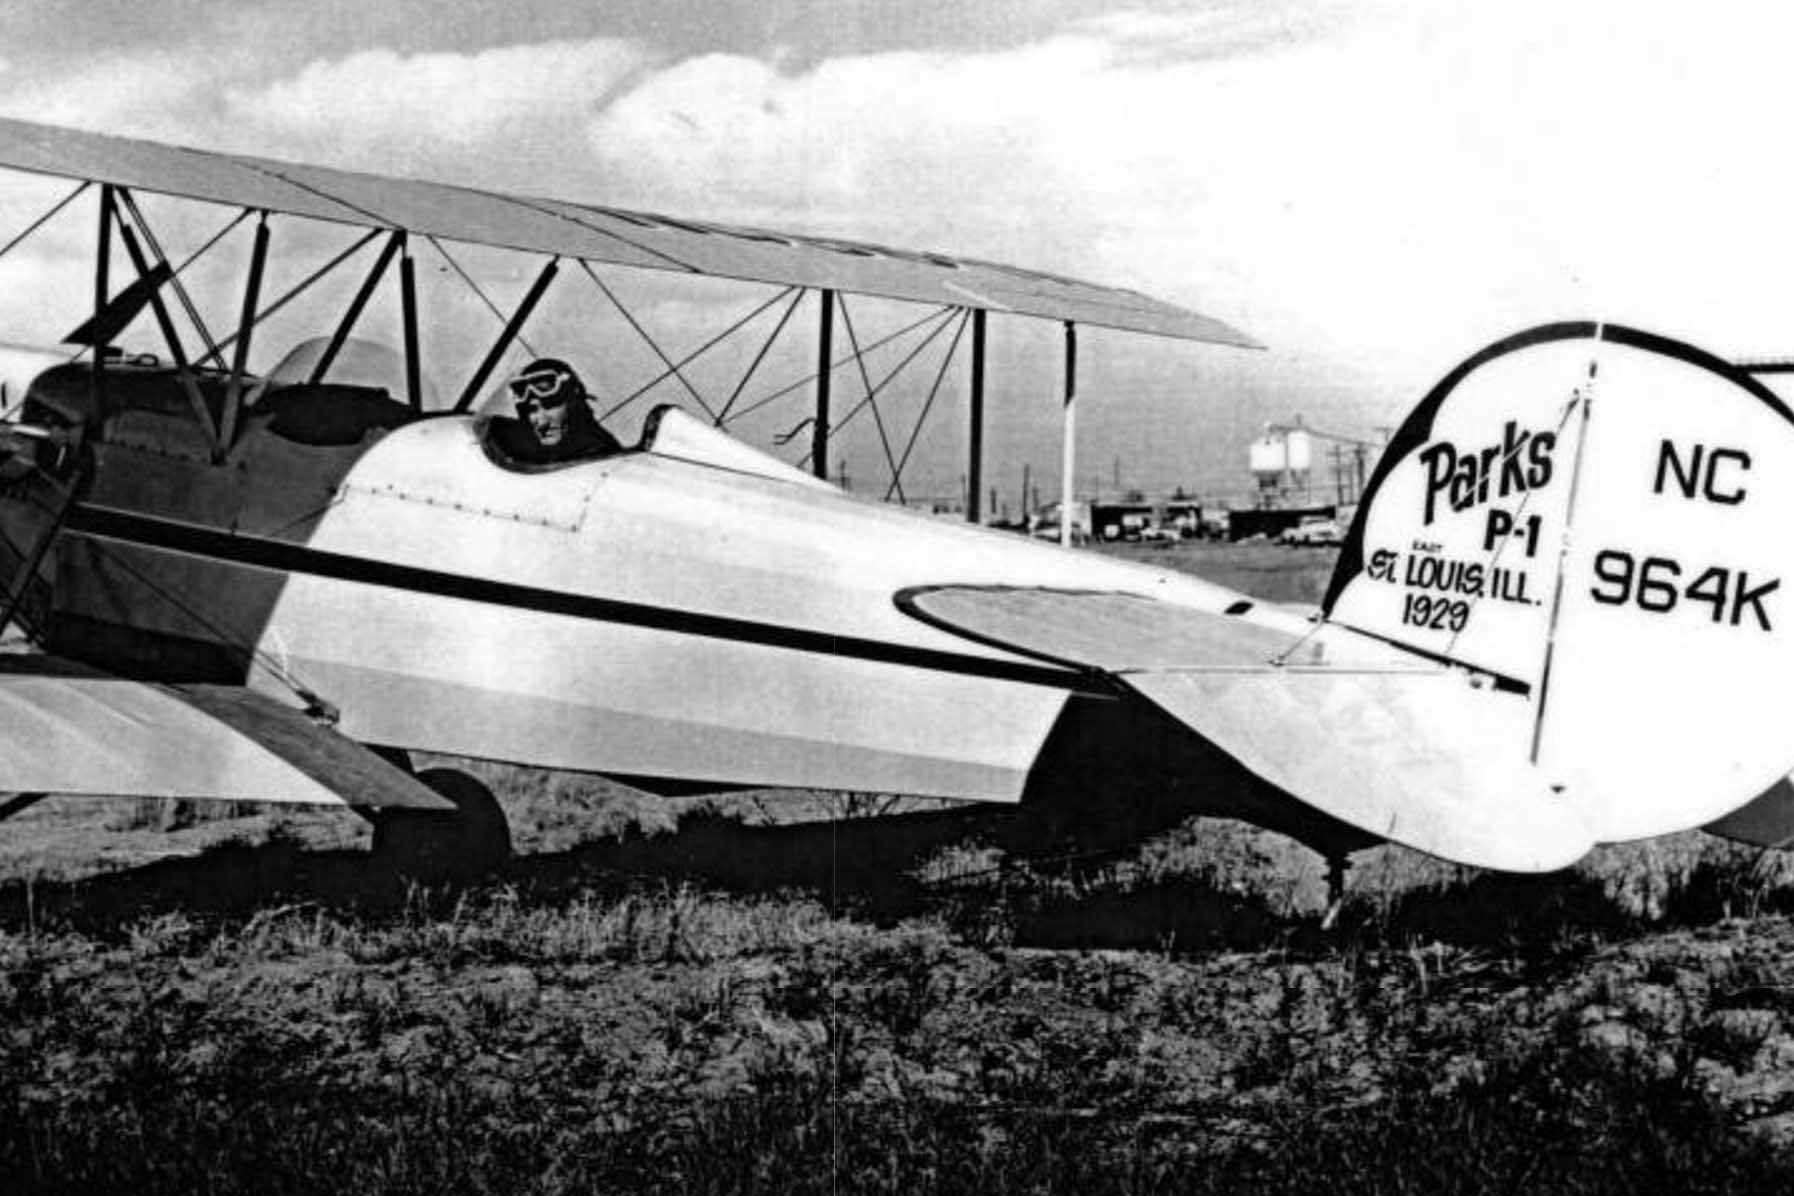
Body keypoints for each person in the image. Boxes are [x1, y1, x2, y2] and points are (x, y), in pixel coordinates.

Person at [496, 357, 621, 465]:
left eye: (550, 406)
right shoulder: (534, 450)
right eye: (532, 410)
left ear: (574, 405)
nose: (542, 422)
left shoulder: (598, 457)